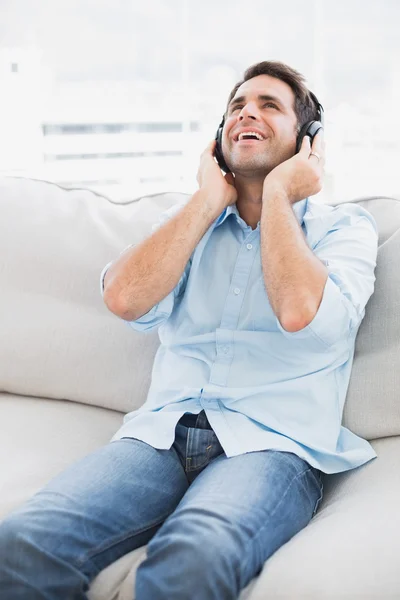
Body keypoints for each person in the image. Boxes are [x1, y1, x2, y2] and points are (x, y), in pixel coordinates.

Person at [0, 61, 379, 600]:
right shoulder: (192, 225)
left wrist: (276, 196)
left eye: (269, 105)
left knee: (193, 560)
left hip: (271, 444)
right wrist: (207, 200)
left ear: (308, 142)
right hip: (160, 434)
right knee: (19, 543)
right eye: (236, 107)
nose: (247, 112)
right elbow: (125, 298)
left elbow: (301, 312)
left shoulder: (343, 230)